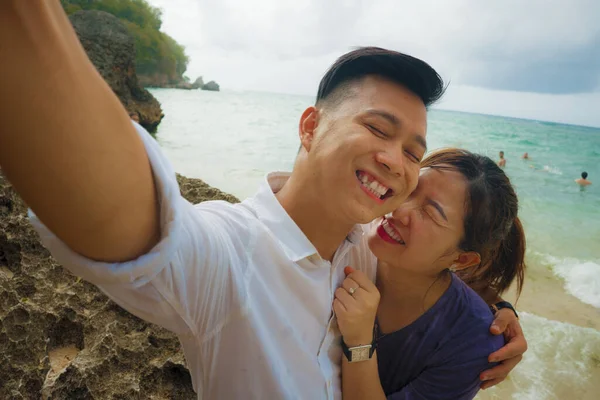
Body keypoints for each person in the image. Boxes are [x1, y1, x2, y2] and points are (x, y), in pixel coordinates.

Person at [0, 3, 526, 398]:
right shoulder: (231, 257)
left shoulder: (365, 249)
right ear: (311, 126)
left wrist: (499, 317)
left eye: (415, 151)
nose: (396, 161)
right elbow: (131, 220)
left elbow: (437, 274)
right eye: (376, 128)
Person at [335, 149, 525, 399]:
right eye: (411, 189)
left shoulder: (470, 342)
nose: (399, 210)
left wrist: (359, 343)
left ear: (462, 258)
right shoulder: (346, 234)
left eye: (430, 212)